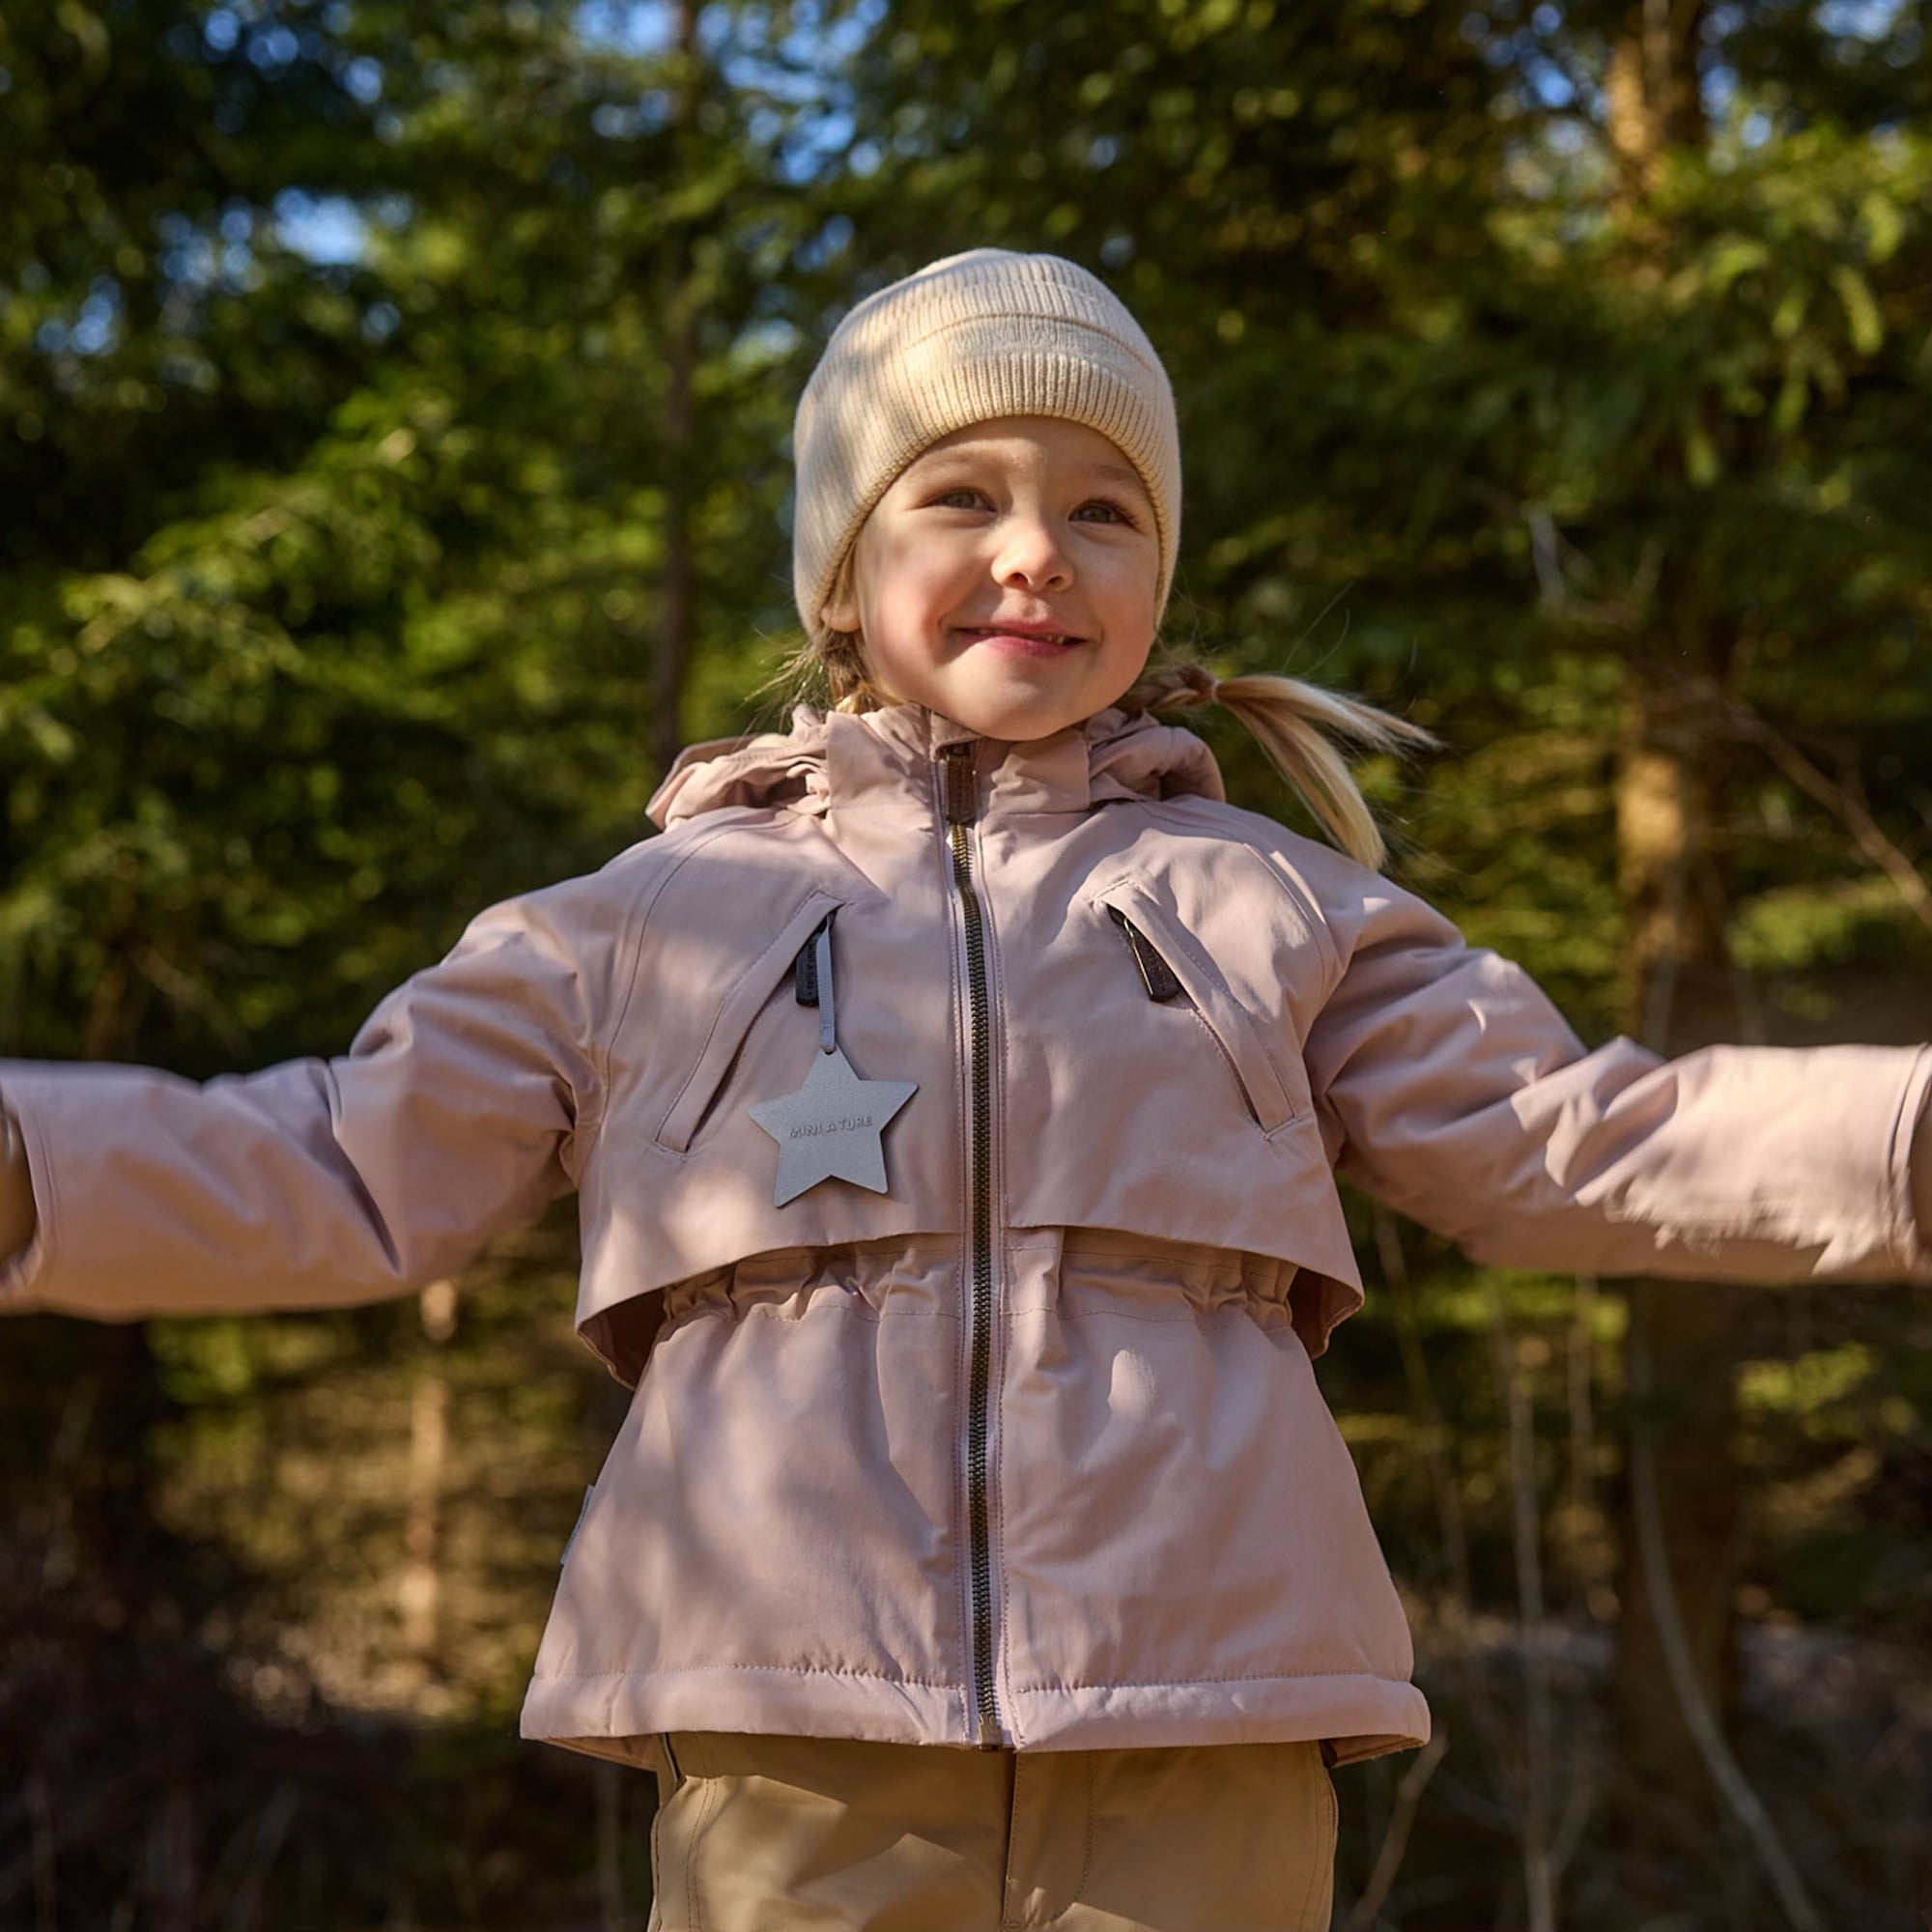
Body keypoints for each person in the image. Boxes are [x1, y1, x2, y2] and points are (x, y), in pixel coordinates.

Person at [3, 248, 1929, 1932]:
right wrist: (32, 1168)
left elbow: (1571, 1137)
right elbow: (349, 1163)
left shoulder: (1278, 912)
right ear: (843, 567)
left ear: (1159, 576)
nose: (1036, 549)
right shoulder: (644, 924)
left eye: (1107, 509)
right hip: (789, 1723)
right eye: (962, 493)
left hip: (1203, 1719)